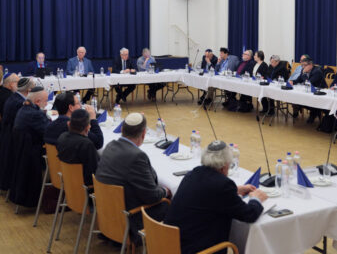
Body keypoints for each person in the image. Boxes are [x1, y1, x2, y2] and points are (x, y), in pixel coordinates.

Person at [165, 140, 267, 254]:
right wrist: (256, 199)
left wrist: (235, 190)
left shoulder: (193, 174)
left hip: (169, 244)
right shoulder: (223, 185)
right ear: (224, 167)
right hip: (196, 250)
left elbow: (207, 192)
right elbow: (249, 215)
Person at [96, 113, 170, 244]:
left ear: (122, 129)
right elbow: (152, 196)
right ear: (143, 134)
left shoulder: (110, 146)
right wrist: (165, 191)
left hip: (108, 215)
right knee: (171, 205)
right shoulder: (137, 156)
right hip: (129, 220)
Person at [10, 86, 50, 207]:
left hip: (22, 152)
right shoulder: (35, 115)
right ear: (37, 101)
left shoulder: (23, 109)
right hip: (33, 155)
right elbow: (48, 132)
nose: (47, 104)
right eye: (46, 101)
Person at [0, 77, 35, 191]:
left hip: (8, 136)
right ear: (29, 90)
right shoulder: (20, 103)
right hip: (16, 141)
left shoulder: (12, 97)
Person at [57, 108, 99, 186]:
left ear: (68, 124)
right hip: (86, 187)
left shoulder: (62, 137)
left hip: (68, 183)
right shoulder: (86, 144)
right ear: (88, 127)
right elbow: (94, 172)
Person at [291, 58, 327, 123]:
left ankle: (313, 114)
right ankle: (298, 109)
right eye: (302, 65)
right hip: (309, 91)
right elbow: (299, 80)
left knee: (309, 99)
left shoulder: (317, 71)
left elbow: (309, 83)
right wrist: (292, 82)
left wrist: (304, 74)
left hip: (320, 92)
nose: (303, 67)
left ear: (310, 65)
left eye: (304, 65)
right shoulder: (304, 70)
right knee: (296, 96)